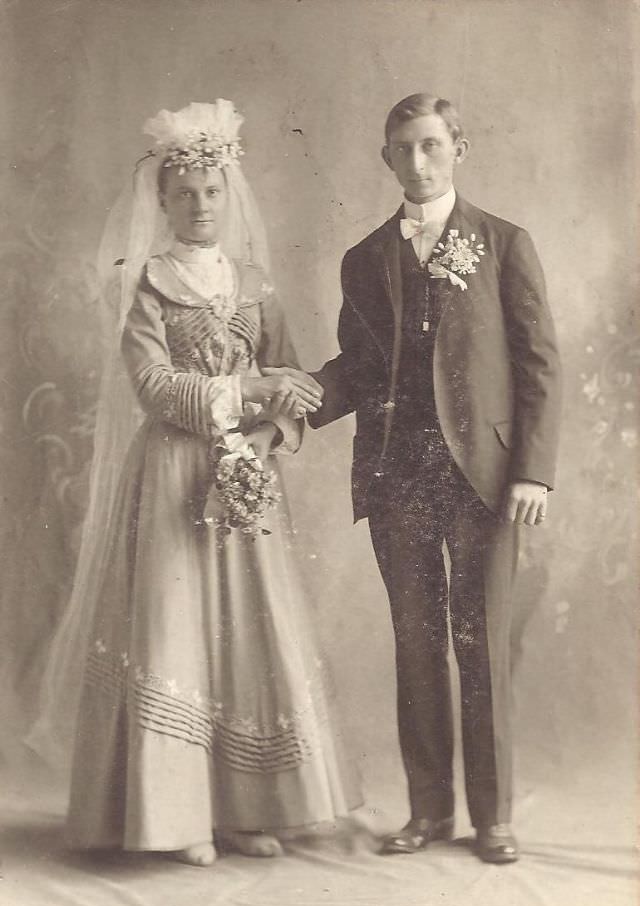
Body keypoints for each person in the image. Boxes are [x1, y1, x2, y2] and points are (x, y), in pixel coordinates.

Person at [32, 100, 360, 866]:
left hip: (244, 469)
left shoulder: (255, 284)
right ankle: (174, 816)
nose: (201, 205)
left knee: (246, 630)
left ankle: (246, 811)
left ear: (230, 191)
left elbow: (292, 380)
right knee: (176, 623)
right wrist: (246, 392)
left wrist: (271, 425)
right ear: (163, 199)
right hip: (174, 471)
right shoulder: (146, 283)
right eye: (186, 192)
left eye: (213, 189)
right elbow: (151, 384)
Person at [305, 93, 562, 863]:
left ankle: (494, 819)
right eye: (402, 150)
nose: (417, 164)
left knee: (478, 644)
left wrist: (535, 476)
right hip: (397, 478)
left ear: (458, 147)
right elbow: (355, 369)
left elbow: (539, 366)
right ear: (386, 159)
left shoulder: (506, 243)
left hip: (483, 479)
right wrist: (287, 409)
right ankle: (427, 812)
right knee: (416, 647)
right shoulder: (364, 258)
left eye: (430, 146)